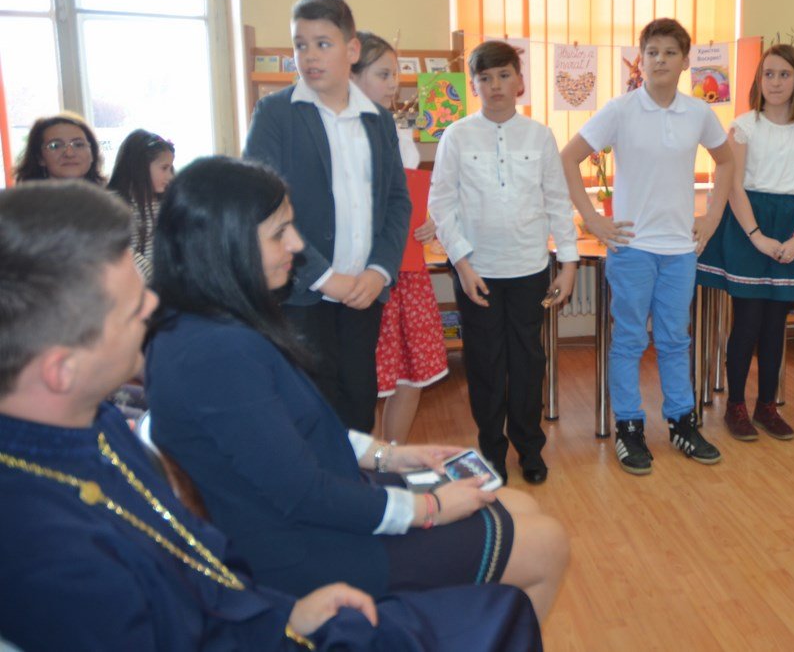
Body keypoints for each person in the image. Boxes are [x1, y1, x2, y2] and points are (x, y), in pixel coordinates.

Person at [0, 181, 544, 651]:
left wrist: (286, 613)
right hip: (291, 567)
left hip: (265, 601)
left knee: (521, 514)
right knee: (525, 573)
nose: (152, 309)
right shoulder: (47, 550)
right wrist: (426, 509)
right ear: (60, 370)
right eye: (131, 308)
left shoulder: (89, 424)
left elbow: (201, 557)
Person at [145, 157, 568, 624]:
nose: (297, 244)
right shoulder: (216, 352)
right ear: (223, 243)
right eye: (279, 233)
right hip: (302, 551)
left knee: (518, 504)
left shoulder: (212, 325)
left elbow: (292, 436)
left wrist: (392, 456)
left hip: (315, 511)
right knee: (546, 545)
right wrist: (429, 508)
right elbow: (304, 494)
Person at [561, 18, 733, 476]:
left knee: (675, 340)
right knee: (630, 340)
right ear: (641, 59)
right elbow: (568, 158)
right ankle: (629, 428)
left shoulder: (698, 113)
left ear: (685, 61)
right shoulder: (620, 110)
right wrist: (594, 220)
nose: (660, 60)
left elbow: (726, 160)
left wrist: (712, 217)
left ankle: (681, 422)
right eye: (652, 52)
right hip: (632, 248)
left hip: (679, 250)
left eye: (670, 52)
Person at [244, 0, 412, 433]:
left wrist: (379, 270)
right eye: (301, 45)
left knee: (359, 400)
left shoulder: (377, 119)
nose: (310, 56)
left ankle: (358, 477)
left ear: (351, 49)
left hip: (363, 292)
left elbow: (397, 201)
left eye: (323, 44)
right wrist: (322, 276)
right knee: (309, 410)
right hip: (301, 294)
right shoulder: (275, 113)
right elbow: (260, 206)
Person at [428, 40, 579, 485]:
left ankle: (529, 448)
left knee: (529, 362)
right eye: (485, 78)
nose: (495, 85)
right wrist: (462, 264)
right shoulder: (456, 135)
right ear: (474, 85)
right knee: (485, 363)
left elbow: (557, 201)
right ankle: (491, 451)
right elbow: (441, 204)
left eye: (503, 75)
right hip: (477, 272)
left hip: (530, 268)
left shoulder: (540, 135)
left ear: (519, 81)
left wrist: (569, 265)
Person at [696, 44, 794, 441]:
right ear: (758, 80)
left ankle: (767, 406)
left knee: (775, 326)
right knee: (747, 323)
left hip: (790, 227)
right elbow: (733, 185)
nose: (775, 82)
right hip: (747, 224)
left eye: (784, 74)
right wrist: (757, 236)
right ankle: (735, 405)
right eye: (768, 74)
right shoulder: (745, 126)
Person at [351, 32, 448, 444]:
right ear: (352, 75)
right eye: (383, 74)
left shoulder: (399, 133)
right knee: (367, 381)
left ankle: (394, 456)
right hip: (362, 276)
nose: (394, 84)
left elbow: (412, 198)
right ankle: (369, 466)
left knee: (412, 375)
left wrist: (430, 222)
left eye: (396, 75)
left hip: (406, 271)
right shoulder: (338, 135)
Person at [108, 129, 176, 278]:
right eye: (164, 168)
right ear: (140, 166)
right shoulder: (113, 204)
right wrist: (154, 277)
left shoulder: (165, 203)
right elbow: (121, 249)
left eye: (171, 168)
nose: (170, 176)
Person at [13, 112, 105, 184]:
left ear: (92, 153)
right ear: (40, 158)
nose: (69, 153)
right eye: (55, 146)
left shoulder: (108, 200)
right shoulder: (22, 202)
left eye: (78, 145)